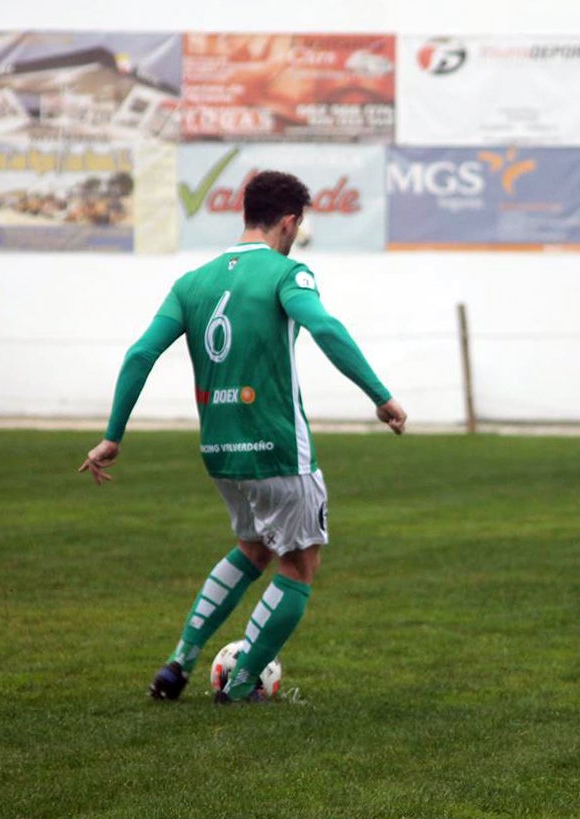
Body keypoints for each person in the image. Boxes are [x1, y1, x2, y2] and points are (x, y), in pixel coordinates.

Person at [79, 170, 406, 703]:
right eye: (298, 225)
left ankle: (177, 665)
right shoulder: (286, 273)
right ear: (289, 221)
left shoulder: (193, 283)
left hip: (220, 451)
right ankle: (242, 683)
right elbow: (323, 328)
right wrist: (380, 395)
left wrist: (112, 436)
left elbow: (140, 354)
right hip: (277, 447)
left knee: (252, 549)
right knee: (299, 565)